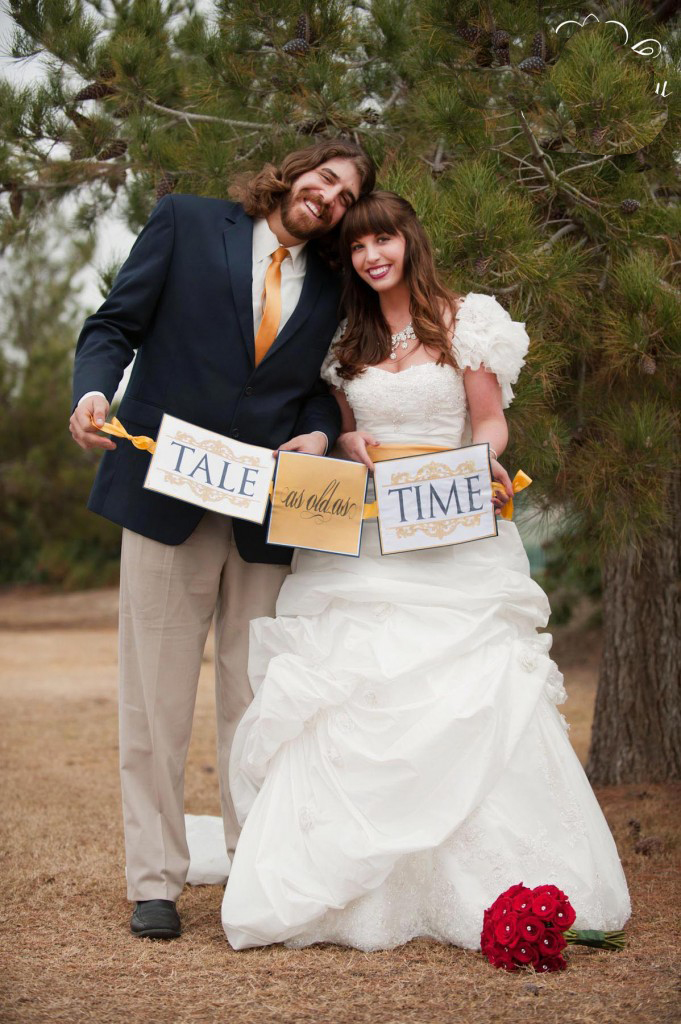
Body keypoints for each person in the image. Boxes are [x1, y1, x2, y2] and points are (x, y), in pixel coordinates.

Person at [219, 191, 631, 952]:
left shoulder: (467, 321)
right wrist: (346, 444)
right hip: (369, 530)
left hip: (450, 520)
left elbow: (487, 419)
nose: (372, 257)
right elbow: (345, 428)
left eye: (382, 241)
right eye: (358, 249)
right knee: (357, 683)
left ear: (407, 239)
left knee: (467, 687)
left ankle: (487, 876)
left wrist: (484, 463)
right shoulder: (345, 336)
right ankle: (349, 887)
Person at [68, 139, 377, 939]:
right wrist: (94, 392)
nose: (331, 198)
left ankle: (255, 870)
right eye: (326, 179)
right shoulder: (184, 222)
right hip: (163, 495)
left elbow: (317, 391)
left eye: (346, 197)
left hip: (266, 516)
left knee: (255, 702)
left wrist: (314, 434)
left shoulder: (335, 284)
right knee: (154, 701)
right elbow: (114, 324)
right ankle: (155, 882)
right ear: (295, 169)